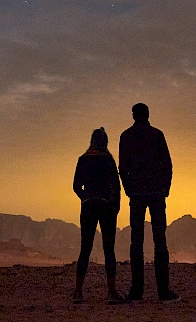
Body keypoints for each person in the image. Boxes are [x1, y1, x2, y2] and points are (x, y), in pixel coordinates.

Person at [119, 103, 180, 302]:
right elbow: (168, 164)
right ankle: (163, 291)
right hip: (155, 194)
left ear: (133, 116)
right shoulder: (157, 135)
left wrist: (129, 189)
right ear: (147, 115)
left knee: (136, 242)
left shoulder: (126, 137)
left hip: (137, 194)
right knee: (159, 241)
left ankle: (137, 291)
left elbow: (123, 167)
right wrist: (164, 189)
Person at [72, 127, 124, 304]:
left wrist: (86, 198)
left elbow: (76, 186)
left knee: (85, 248)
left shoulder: (83, 159)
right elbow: (116, 187)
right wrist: (115, 205)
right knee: (108, 249)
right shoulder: (108, 159)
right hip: (106, 206)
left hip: (88, 207)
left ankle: (78, 293)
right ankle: (111, 292)